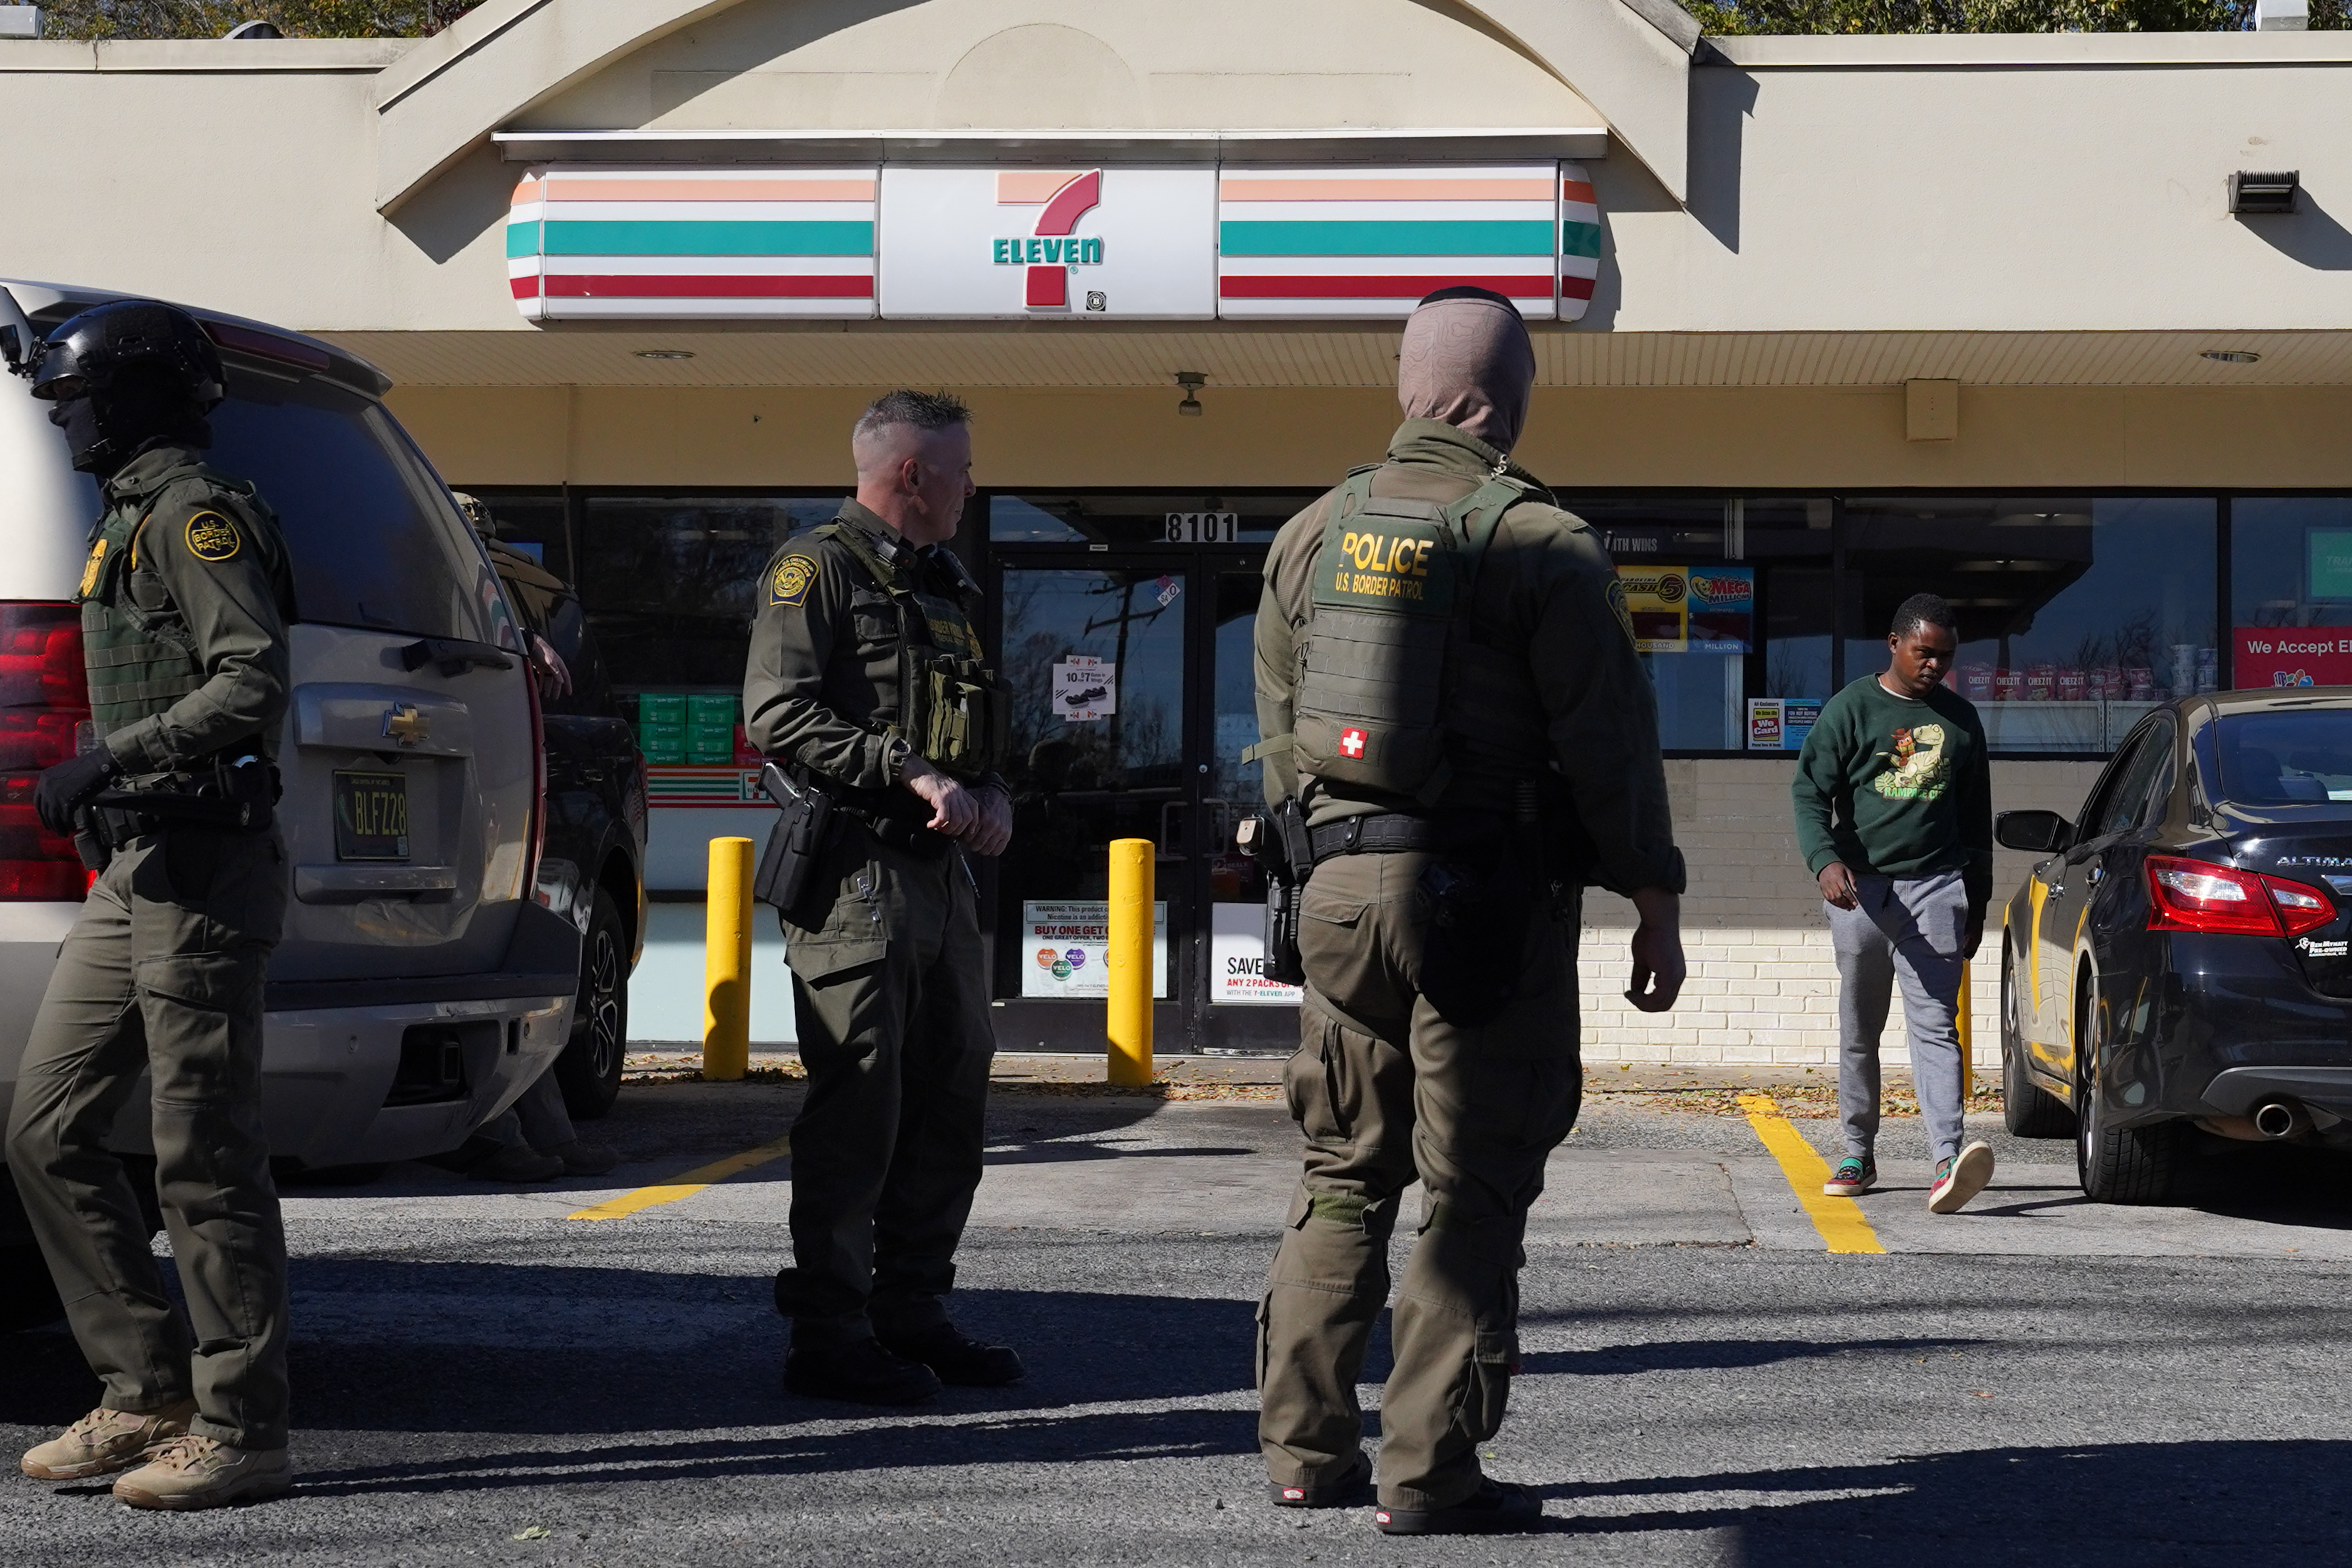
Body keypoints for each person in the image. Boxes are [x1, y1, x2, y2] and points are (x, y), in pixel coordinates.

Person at [1252, 287, 1687, 1536]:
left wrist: (1319, 871)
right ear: (1504, 400)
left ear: (1408, 387)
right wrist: (1652, 895)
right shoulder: (1541, 541)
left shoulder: (1306, 537)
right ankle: (1427, 1475)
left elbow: (1279, 746)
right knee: (1469, 1187)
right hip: (1485, 903)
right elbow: (1606, 744)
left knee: (1341, 1170)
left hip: (1337, 895)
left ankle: (1299, 1450)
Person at [7, 300, 297, 1509]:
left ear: (130, 397)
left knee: (203, 1153)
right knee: (44, 1125)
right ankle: (142, 1391)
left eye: (74, 397)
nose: (61, 415)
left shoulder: (194, 513)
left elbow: (252, 678)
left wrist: (111, 757)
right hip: (141, 866)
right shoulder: (126, 515)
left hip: (205, 865)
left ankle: (242, 1427)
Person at [742, 389, 1018, 1405]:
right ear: (912, 474)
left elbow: (976, 729)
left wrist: (991, 793)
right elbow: (774, 713)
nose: (970, 488)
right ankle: (828, 1331)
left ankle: (911, 1310)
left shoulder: (942, 584)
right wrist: (900, 767)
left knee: (950, 1105)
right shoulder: (814, 569)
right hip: (856, 872)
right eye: (960, 470)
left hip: (940, 880)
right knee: (860, 1106)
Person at [1791, 592, 1996, 1214]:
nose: (1935, 665)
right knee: (1861, 1030)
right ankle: (1858, 1152)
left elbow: (1975, 820)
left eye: (1946, 656)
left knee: (1936, 1026)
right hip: (1859, 893)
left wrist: (1977, 903)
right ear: (1895, 643)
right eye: (1924, 652)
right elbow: (1807, 794)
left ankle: (1946, 1160)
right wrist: (1824, 861)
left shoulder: (1961, 721)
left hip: (1936, 888)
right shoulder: (1850, 709)